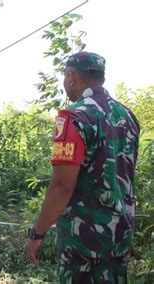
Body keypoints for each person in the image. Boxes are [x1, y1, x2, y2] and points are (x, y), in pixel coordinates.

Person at [25, 52, 140, 283]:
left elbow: (61, 187)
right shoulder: (128, 116)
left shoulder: (74, 117)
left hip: (84, 238)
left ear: (71, 76)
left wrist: (37, 233)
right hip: (121, 232)